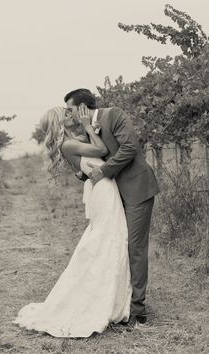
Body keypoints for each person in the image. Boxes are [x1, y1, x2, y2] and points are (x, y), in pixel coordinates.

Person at [12, 105, 131, 338]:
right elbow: (102, 149)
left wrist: (89, 129)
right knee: (110, 239)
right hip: (104, 191)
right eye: (65, 114)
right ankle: (103, 297)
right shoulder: (68, 144)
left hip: (103, 188)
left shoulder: (72, 140)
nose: (70, 115)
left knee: (109, 239)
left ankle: (111, 296)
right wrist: (89, 126)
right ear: (59, 123)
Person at [64, 89, 160, 326]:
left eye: (70, 108)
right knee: (117, 245)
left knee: (135, 248)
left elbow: (129, 149)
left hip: (137, 189)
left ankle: (138, 311)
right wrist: (81, 170)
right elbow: (91, 164)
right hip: (113, 197)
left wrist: (103, 171)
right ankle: (121, 301)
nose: (68, 113)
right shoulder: (85, 131)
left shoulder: (114, 115)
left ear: (84, 107)